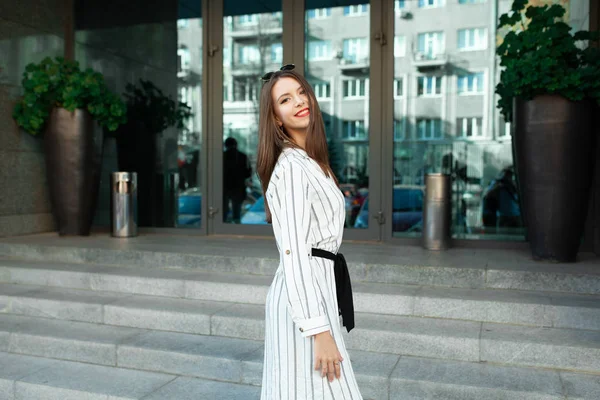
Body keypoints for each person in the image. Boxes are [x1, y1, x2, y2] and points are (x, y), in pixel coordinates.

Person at [256, 64, 362, 399]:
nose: (300, 102)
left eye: (302, 93)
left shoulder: (310, 160)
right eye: (285, 99)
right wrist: (319, 330)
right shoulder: (290, 167)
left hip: (318, 287)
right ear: (275, 118)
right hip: (302, 298)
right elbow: (294, 251)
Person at [223, 137, 251, 223]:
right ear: (236, 145)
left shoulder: (221, 156)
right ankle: (236, 224)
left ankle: (223, 223)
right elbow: (248, 172)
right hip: (238, 186)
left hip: (224, 186)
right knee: (236, 209)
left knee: (223, 208)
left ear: (226, 145)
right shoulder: (242, 156)